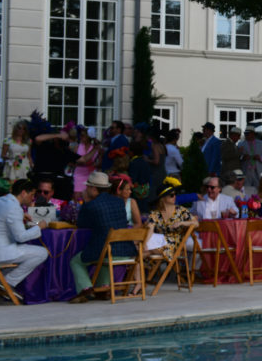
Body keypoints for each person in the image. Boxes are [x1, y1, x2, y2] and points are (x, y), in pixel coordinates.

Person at [70, 171, 139, 303]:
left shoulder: (92, 205)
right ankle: (104, 288)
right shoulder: (119, 202)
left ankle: (85, 288)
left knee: (76, 261)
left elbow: (81, 224)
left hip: (105, 251)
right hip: (125, 249)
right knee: (104, 255)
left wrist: (86, 202)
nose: (86, 189)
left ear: (94, 189)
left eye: (88, 187)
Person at [0, 179, 48, 302]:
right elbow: (20, 237)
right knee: (42, 252)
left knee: (28, 252)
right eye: (32, 195)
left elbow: (1, 217)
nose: (32, 198)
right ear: (23, 193)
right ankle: (7, 281)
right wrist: (39, 227)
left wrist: (21, 215)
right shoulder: (14, 208)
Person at [145, 177, 197, 262]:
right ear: (163, 198)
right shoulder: (156, 214)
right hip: (159, 244)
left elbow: (196, 223)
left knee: (142, 253)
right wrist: (145, 244)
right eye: (171, 195)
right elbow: (150, 229)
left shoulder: (181, 211)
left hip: (175, 245)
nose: (175, 197)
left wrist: (182, 223)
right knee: (142, 252)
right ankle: (138, 273)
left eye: (175, 194)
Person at [71, 126, 101, 200]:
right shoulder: (77, 147)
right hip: (79, 173)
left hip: (91, 174)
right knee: (77, 196)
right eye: (80, 135)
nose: (81, 137)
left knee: (90, 195)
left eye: (83, 135)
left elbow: (99, 162)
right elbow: (72, 162)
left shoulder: (96, 148)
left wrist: (94, 164)